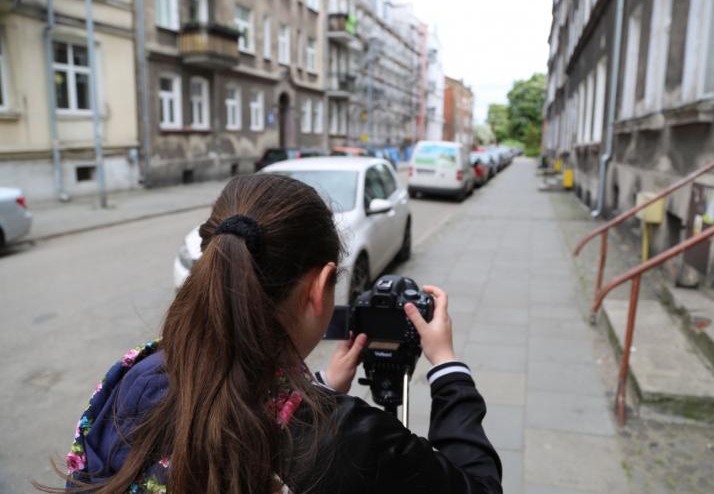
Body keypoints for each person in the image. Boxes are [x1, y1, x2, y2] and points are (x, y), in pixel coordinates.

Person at [39, 174, 502, 494]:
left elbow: (229, 405)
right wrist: (447, 368)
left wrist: (317, 389)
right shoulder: (349, 442)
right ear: (320, 287)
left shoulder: (136, 374)